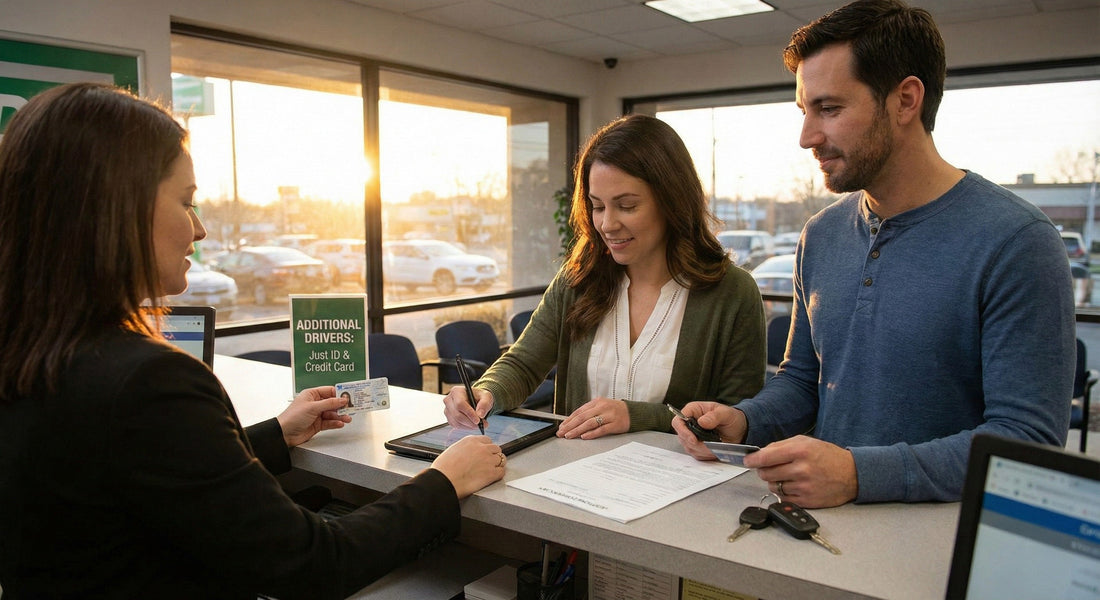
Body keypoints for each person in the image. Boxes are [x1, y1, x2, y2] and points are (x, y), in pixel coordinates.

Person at [0, 82, 505, 599]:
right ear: (115, 208)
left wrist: (275, 435)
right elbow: (314, 563)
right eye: (186, 202)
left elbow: (144, 477)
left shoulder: (29, 356)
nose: (199, 230)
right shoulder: (148, 380)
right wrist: (444, 481)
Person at [674, 0, 1075, 508]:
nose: (806, 137)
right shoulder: (820, 234)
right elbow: (803, 380)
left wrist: (860, 474)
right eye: (804, 111)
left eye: (829, 109)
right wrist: (746, 419)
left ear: (906, 100)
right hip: (820, 522)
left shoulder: (1017, 241)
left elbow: (1027, 441)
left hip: (936, 547)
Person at [444, 114, 767, 439]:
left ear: (673, 202)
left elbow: (735, 423)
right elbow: (524, 364)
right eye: (597, 207)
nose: (607, 224)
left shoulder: (733, 294)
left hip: (680, 484)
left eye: (626, 206)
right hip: (573, 479)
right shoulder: (578, 279)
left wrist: (638, 416)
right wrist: (485, 392)